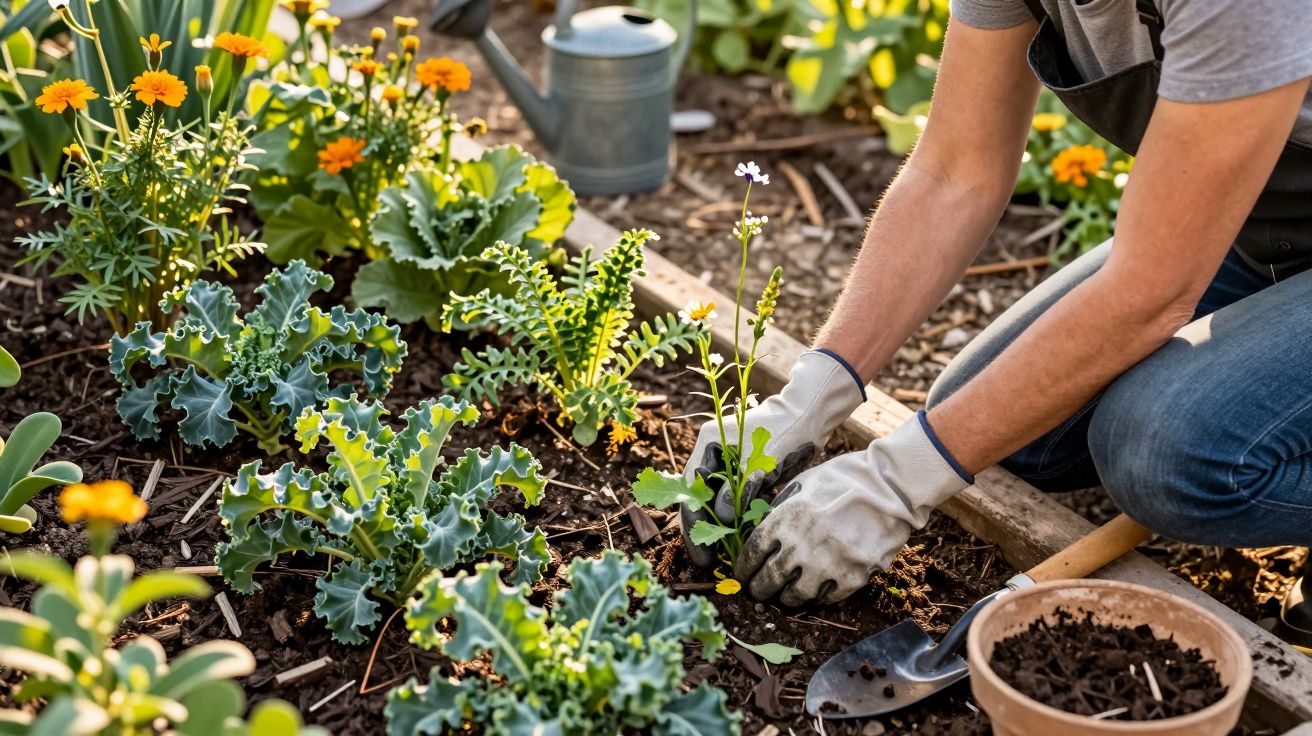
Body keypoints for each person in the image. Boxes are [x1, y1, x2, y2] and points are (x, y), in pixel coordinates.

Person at [679, 0, 1312, 654]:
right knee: (1009, 431)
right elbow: (953, 171)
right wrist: (811, 396)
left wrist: (895, 482)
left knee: (1163, 455)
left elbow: (1152, 292)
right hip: (1247, 231)